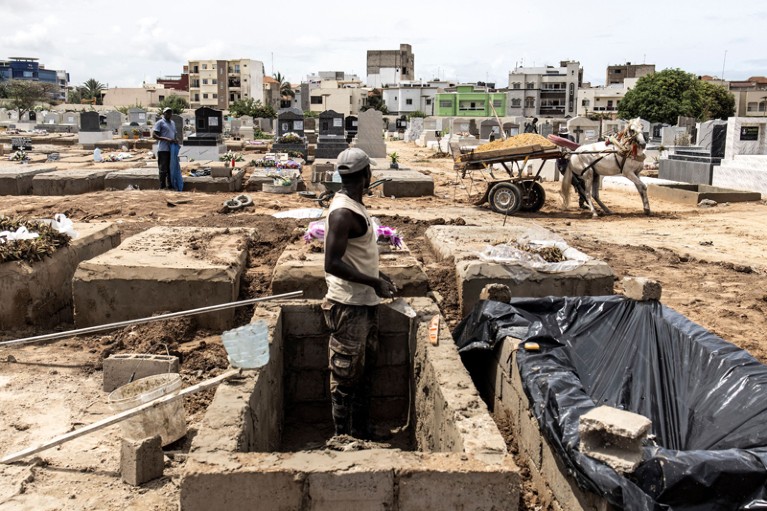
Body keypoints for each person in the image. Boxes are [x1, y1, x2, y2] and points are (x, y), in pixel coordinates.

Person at [322, 147, 397, 439]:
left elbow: (354, 256)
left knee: (362, 373)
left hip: (363, 300)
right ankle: (343, 439)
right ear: (366, 175)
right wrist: (373, 282)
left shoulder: (353, 205)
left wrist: (375, 277)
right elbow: (332, 263)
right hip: (349, 306)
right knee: (345, 376)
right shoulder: (343, 213)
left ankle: (362, 433)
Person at [556, 128, 589, 209]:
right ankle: (589, 203)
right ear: (560, 135)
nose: (565, 137)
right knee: (578, 184)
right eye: (563, 135)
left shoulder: (569, 141)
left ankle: (582, 204)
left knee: (582, 183)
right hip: (564, 167)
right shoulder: (558, 144)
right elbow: (562, 155)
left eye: (565, 135)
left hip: (572, 166)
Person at [152, 107, 177, 189]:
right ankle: (162, 186)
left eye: (170, 112)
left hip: (171, 149)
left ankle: (170, 185)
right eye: (167, 112)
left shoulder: (172, 123)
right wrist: (167, 139)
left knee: (171, 168)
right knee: (163, 169)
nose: (169, 114)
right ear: (164, 113)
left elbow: (174, 134)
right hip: (163, 149)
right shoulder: (160, 123)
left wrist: (175, 140)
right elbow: (154, 135)